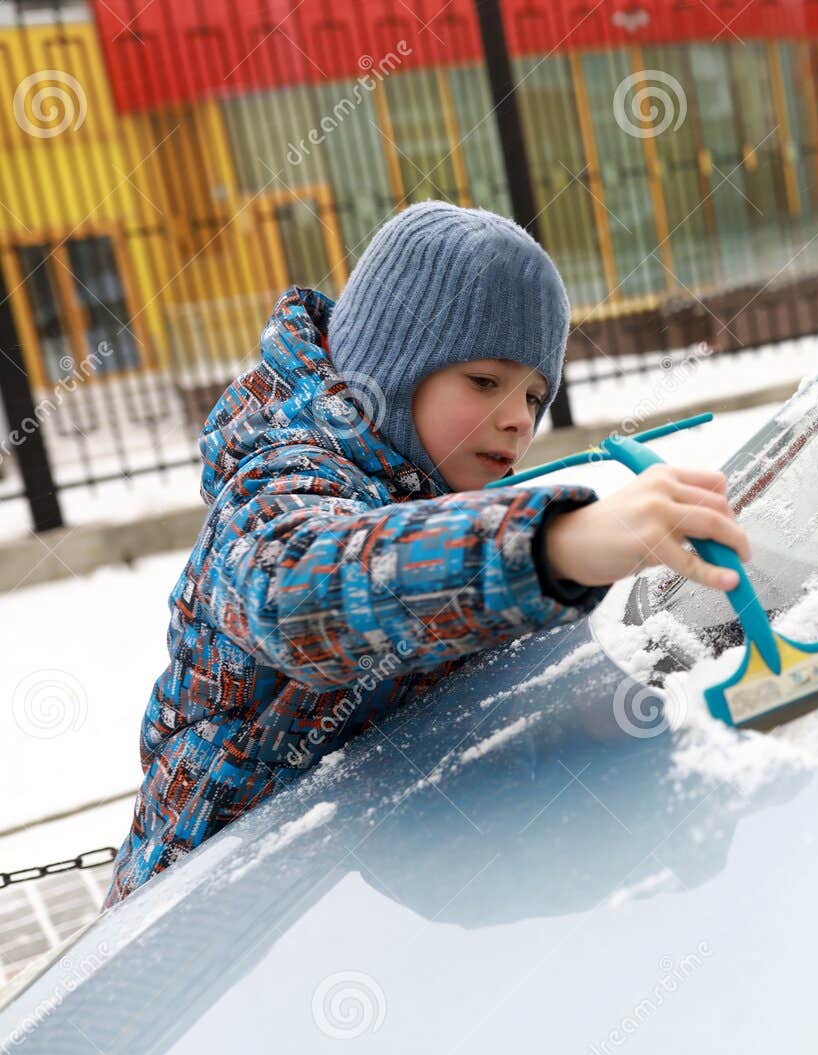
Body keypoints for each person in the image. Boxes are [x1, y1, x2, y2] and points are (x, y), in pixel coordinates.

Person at [103, 200, 751, 908]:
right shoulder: (281, 475)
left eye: (536, 394)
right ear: (391, 365)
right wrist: (554, 545)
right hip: (205, 929)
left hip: (350, 906)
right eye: (484, 381)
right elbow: (295, 593)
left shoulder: (438, 504)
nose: (518, 418)